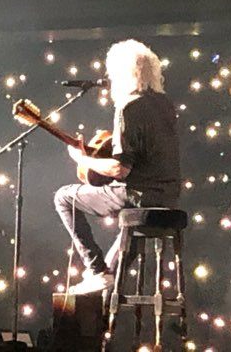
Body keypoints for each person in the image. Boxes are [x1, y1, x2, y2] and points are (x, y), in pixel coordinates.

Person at [54, 39, 181, 295]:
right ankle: (107, 277)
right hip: (168, 195)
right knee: (126, 232)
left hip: (138, 196)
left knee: (64, 197)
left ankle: (97, 270)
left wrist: (82, 160)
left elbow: (120, 170)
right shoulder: (164, 104)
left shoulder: (128, 107)